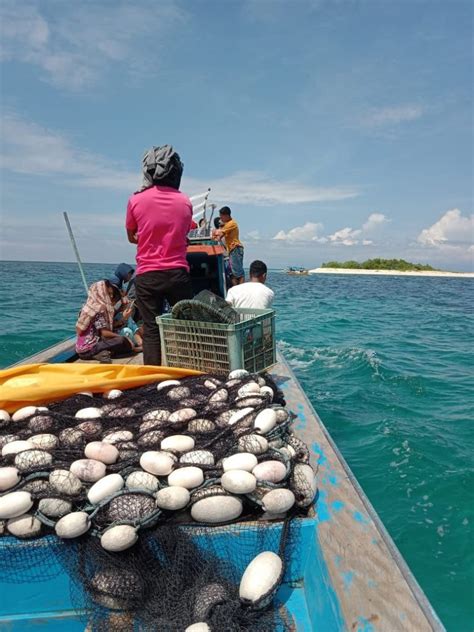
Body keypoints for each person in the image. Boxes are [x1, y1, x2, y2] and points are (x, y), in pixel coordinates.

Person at [125, 145, 193, 365]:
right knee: (184, 327)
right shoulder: (185, 201)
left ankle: (153, 379)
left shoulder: (136, 200)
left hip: (148, 275)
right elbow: (184, 232)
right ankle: (186, 370)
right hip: (177, 273)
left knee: (152, 328)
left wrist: (148, 238)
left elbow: (132, 236)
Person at [75, 280, 134, 362]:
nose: (110, 297)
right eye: (108, 294)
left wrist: (122, 319)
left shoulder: (88, 306)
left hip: (81, 349)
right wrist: (124, 338)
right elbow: (105, 334)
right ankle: (100, 353)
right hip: (89, 349)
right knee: (122, 341)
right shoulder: (99, 309)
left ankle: (102, 353)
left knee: (119, 339)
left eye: (111, 294)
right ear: (101, 293)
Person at [212, 206, 244, 285]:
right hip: (232, 250)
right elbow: (218, 237)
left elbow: (219, 233)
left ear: (226, 215)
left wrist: (214, 232)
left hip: (235, 248)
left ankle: (241, 290)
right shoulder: (227, 225)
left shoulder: (231, 223)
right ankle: (237, 290)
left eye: (221, 216)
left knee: (238, 273)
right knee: (233, 272)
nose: (221, 219)